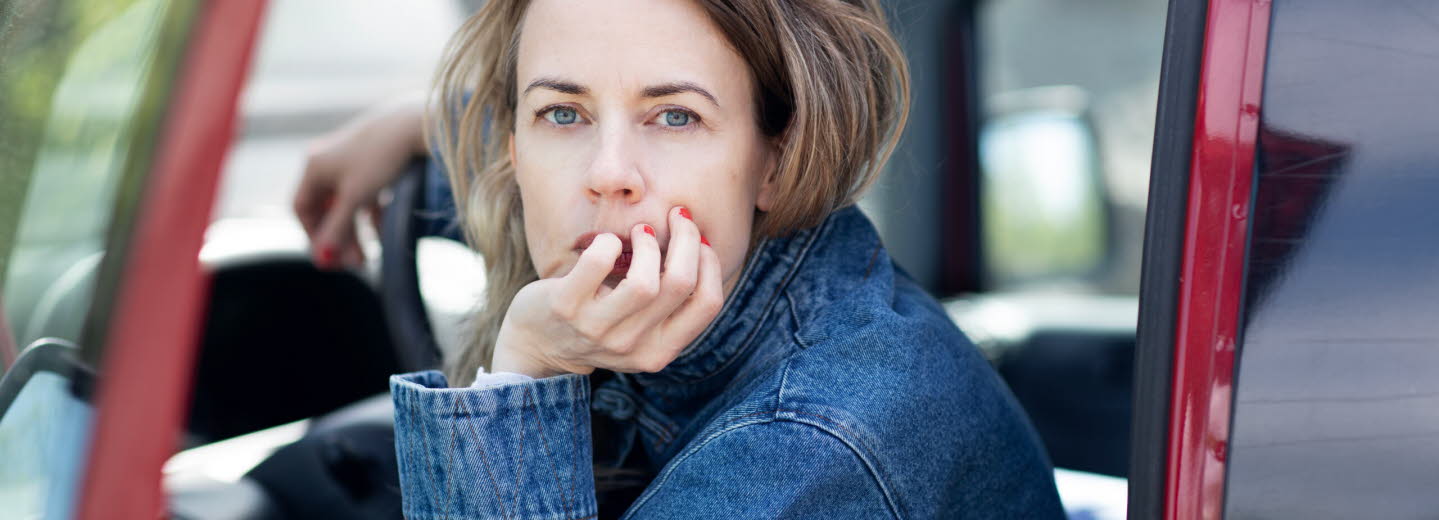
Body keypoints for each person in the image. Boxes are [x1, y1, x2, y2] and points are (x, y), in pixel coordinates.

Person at [295, 0, 1065, 517]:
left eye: (674, 116)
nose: (606, 172)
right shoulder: (684, 228)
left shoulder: (806, 446)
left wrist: (523, 377)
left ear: (777, 157)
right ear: (513, 143)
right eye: (562, 112)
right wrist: (419, 124)